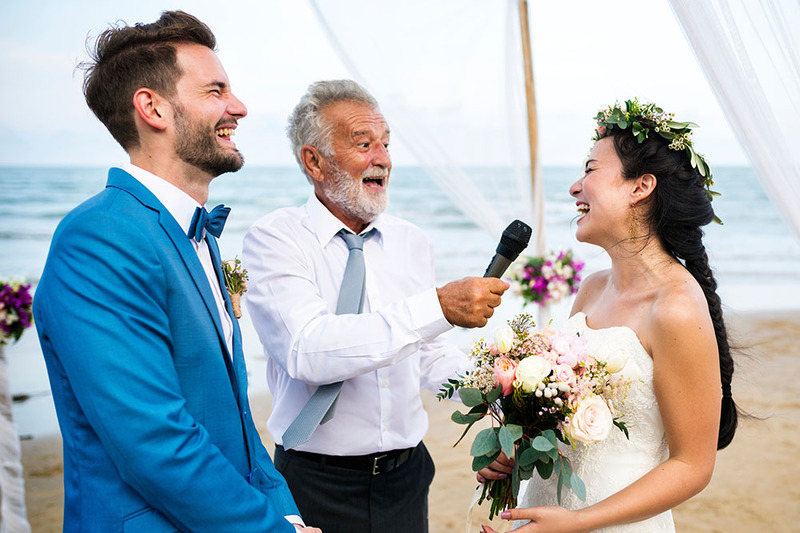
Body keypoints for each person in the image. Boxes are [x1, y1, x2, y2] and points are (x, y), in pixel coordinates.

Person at [33, 11, 319, 532]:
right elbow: (153, 441)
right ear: (153, 108)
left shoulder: (196, 236)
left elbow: (235, 415)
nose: (239, 107)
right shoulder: (100, 238)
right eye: (216, 91)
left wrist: (286, 512)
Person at [242, 79, 509, 533]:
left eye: (386, 144)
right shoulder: (274, 239)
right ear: (314, 161)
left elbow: (426, 351)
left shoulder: (411, 241)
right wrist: (439, 307)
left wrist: (498, 397)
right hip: (313, 480)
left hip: (406, 478)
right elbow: (309, 351)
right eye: (363, 144)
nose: (382, 158)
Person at [481, 99, 738, 533]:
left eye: (591, 170)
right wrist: (516, 445)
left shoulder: (675, 307)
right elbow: (563, 413)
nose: (575, 188)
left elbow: (694, 466)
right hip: (546, 511)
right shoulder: (593, 287)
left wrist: (579, 522)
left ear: (641, 187)